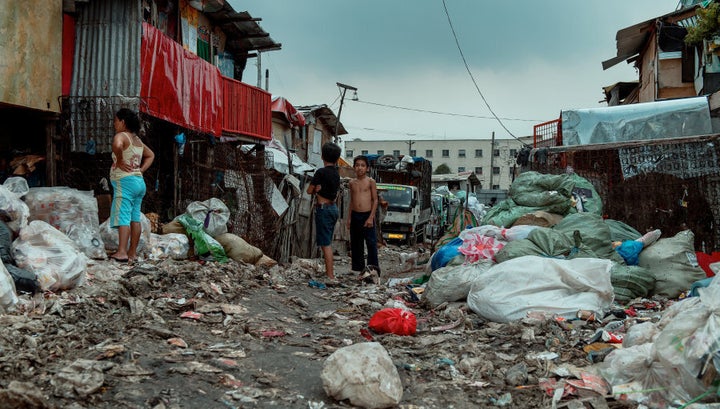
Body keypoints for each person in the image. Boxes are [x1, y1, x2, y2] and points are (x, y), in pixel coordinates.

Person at [109, 108, 155, 264]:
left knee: (123, 217)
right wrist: (140, 170)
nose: (114, 124)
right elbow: (151, 155)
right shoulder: (137, 141)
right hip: (138, 182)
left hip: (125, 182)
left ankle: (121, 252)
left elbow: (117, 144)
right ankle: (132, 254)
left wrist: (120, 160)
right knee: (135, 218)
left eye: (116, 121)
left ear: (123, 122)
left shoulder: (122, 136)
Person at [306, 142, 341, 280]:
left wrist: (316, 189)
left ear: (322, 156)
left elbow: (309, 191)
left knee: (325, 244)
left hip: (324, 208)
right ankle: (329, 273)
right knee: (327, 242)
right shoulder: (336, 174)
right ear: (337, 158)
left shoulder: (320, 172)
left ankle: (330, 275)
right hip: (333, 208)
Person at [347, 155, 380, 274]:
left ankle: (373, 270)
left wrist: (371, 217)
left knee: (371, 243)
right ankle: (359, 270)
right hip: (355, 215)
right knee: (356, 243)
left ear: (367, 168)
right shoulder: (351, 183)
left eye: (362, 165)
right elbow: (351, 201)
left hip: (367, 215)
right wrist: (349, 218)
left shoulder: (371, 182)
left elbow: (375, 200)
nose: (359, 168)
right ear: (354, 167)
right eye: (357, 165)